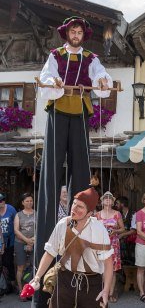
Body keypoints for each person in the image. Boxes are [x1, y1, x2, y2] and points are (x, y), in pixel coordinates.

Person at [35, 16, 113, 305]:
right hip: (58, 111)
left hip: (79, 112)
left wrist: (103, 81)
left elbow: (101, 77)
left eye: (80, 31)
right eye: (73, 31)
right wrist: (53, 82)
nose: (77, 35)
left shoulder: (91, 58)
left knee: (81, 168)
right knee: (52, 170)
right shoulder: (55, 55)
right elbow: (45, 78)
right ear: (67, 34)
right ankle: (46, 256)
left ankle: (80, 215)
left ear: (84, 35)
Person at [30, 187, 113, 308]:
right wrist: (37, 277)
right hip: (65, 280)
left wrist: (106, 290)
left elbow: (108, 263)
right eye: (74, 204)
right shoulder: (63, 224)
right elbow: (50, 253)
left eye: (80, 206)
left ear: (89, 213)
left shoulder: (99, 229)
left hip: (91, 283)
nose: (74, 208)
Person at [96, 191, 125, 303]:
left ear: (113, 202)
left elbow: (123, 228)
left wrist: (115, 231)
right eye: (105, 198)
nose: (108, 199)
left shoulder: (117, 214)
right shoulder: (97, 215)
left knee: (112, 269)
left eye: (110, 198)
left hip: (113, 244)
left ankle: (111, 292)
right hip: (101, 244)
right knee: (101, 269)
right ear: (102, 201)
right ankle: (104, 291)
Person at [14, 193, 36, 296]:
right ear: (22, 202)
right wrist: (27, 240)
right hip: (20, 243)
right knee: (20, 267)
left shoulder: (36, 213)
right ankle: (20, 290)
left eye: (31, 201)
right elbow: (16, 230)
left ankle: (31, 291)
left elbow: (39, 228)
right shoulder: (18, 215)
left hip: (34, 242)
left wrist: (32, 240)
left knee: (34, 266)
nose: (29, 203)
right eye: (27, 201)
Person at [0, 193, 17, 293]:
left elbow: (16, 223)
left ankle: (11, 284)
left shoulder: (11, 209)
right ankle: (3, 285)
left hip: (10, 240)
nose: (1, 202)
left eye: (2, 200)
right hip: (0, 241)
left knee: (9, 262)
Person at [115, 196, 136, 265]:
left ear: (122, 204)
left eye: (117, 203)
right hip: (122, 242)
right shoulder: (118, 214)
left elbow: (134, 230)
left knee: (131, 261)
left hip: (131, 242)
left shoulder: (133, 214)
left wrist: (122, 234)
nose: (116, 205)